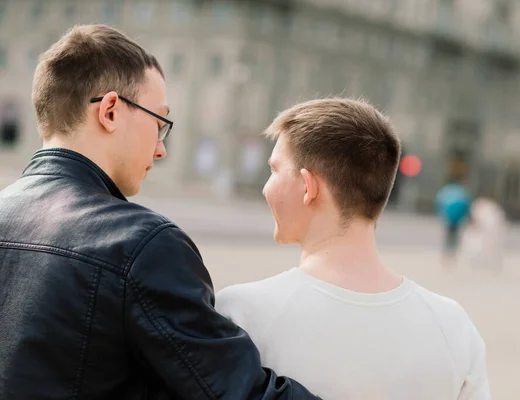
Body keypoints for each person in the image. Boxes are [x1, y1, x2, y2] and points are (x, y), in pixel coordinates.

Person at [0, 24, 318, 399]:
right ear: (111, 111)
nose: (160, 149)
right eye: (159, 123)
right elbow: (239, 393)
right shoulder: (139, 245)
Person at [216, 98, 491, 399]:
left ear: (308, 187)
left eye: (274, 170)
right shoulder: (452, 326)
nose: (266, 187)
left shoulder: (240, 314)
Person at [435, 178, 472, 266]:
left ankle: (445, 255)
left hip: (447, 218)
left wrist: (440, 215)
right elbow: (467, 206)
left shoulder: (445, 191)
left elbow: (438, 203)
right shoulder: (462, 192)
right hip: (458, 220)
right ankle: (452, 255)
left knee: (447, 237)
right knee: (455, 237)